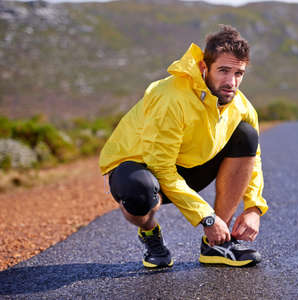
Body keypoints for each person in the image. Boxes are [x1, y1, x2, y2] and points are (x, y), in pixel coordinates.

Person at [99, 25, 268, 268]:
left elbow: (254, 158)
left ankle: (215, 246)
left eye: (239, 73)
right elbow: (160, 167)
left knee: (247, 135)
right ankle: (149, 233)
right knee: (140, 192)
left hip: (187, 167)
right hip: (140, 168)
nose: (231, 82)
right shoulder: (172, 98)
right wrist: (206, 218)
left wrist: (254, 207)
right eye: (223, 70)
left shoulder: (241, 106)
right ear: (203, 68)